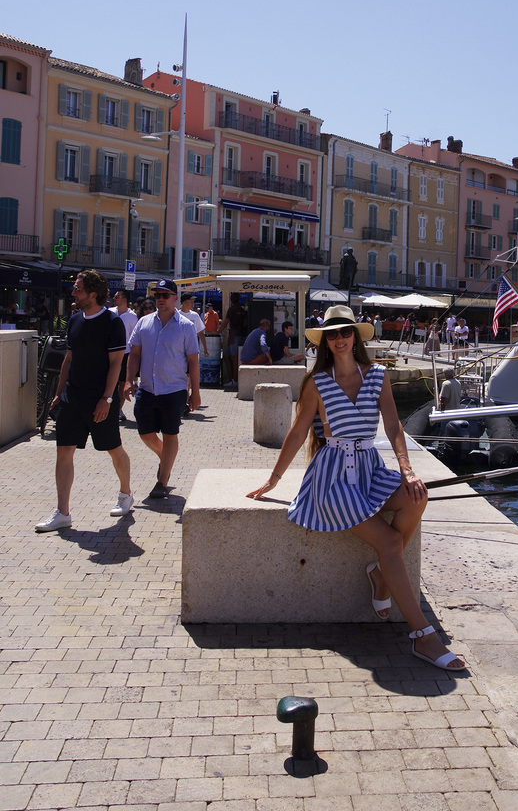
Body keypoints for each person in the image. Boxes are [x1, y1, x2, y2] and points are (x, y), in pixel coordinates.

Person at [246, 305, 466, 672]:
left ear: (356, 336)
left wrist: (407, 470)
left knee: (418, 494)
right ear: (326, 342)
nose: (340, 339)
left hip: (369, 469)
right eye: (332, 334)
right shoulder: (317, 383)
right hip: (331, 479)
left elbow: (394, 426)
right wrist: (274, 479)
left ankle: (382, 574)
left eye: (345, 332)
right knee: (391, 543)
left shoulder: (378, 376)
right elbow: (299, 432)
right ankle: (423, 637)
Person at [35, 270, 133, 531]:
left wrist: (107, 399)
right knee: (63, 451)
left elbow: (116, 364)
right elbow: (69, 358)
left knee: (114, 449)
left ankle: (125, 493)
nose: (74, 292)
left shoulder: (113, 322)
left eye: (78, 289)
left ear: (93, 294)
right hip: (72, 398)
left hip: (100, 400)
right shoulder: (75, 320)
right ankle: (62, 512)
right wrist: (59, 392)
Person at [124, 279, 200, 499]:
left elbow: (193, 362)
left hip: (174, 389)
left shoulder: (186, 326)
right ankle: (166, 457)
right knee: (145, 434)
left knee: (170, 434)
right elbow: (135, 354)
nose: (160, 299)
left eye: (165, 295)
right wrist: (129, 380)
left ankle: (162, 481)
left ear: (175, 298)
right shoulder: (144, 323)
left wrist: (195, 392)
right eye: (157, 295)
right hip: (147, 388)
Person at [111, 288, 139, 422]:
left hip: (125, 353)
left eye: (116, 296)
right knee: (110, 381)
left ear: (124, 300)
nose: (114, 298)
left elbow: (135, 338)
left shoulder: (132, 317)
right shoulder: (109, 313)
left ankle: (118, 409)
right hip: (110, 353)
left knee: (122, 383)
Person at [219, 293, 246, 388]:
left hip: (233, 336)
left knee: (233, 358)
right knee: (227, 356)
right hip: (239, 335)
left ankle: (234, 380)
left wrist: (218, 331)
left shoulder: (231, 309)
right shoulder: (242, 310)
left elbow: (225, 322)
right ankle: (232, 378)